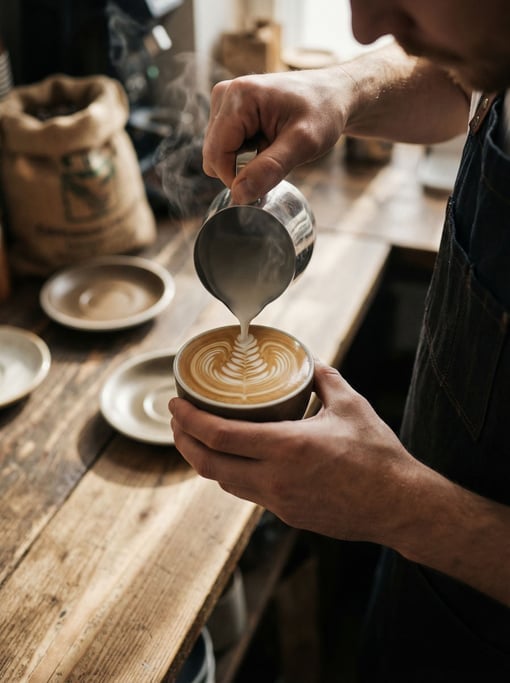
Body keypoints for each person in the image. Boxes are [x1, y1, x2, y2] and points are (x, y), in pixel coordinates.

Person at [169, 1, 510, 679]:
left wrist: (398, 503)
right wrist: (342, 91)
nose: (363, 26)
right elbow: (469, 75)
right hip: (420, 591)